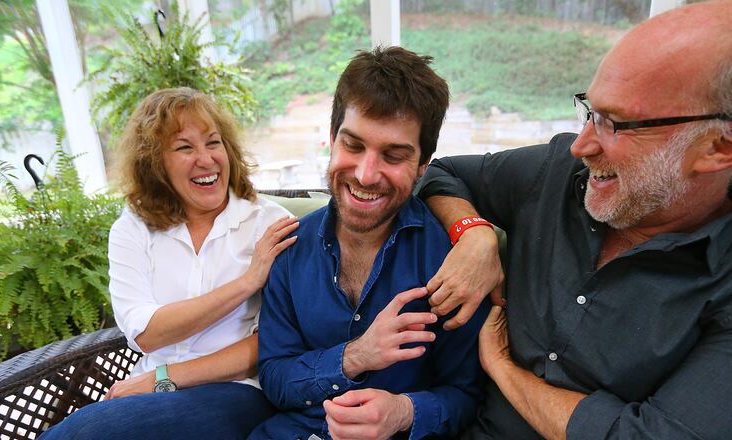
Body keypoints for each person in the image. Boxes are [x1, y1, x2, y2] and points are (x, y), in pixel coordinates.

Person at [415, 1, 732, 439]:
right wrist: (475, 237)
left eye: (615, 124)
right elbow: (441, 173)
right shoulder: (560, 175)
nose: (580, 146)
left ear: (717, 148)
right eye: (591, 111)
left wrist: (504, 368)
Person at [250, 46, 490, 440]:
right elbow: (275, 377)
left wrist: (404, 412)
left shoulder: (451, 261)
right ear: (332, 139)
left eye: (394, 156)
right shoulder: (291, 249)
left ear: (422, 166)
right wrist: (354, 357)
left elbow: (468, 395)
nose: (365, 174)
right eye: (353, 145)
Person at [40, 87, 298, 439]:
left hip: (237, 390)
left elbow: (272, 343)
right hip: (148, 389)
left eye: (213, 142)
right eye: (184, 147)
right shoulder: (132, 229)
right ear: (156, 164)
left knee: (81, 434)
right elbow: (146, 333)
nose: (206, 159)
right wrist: (245, 283)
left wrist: (163, 379)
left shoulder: (269, 225)